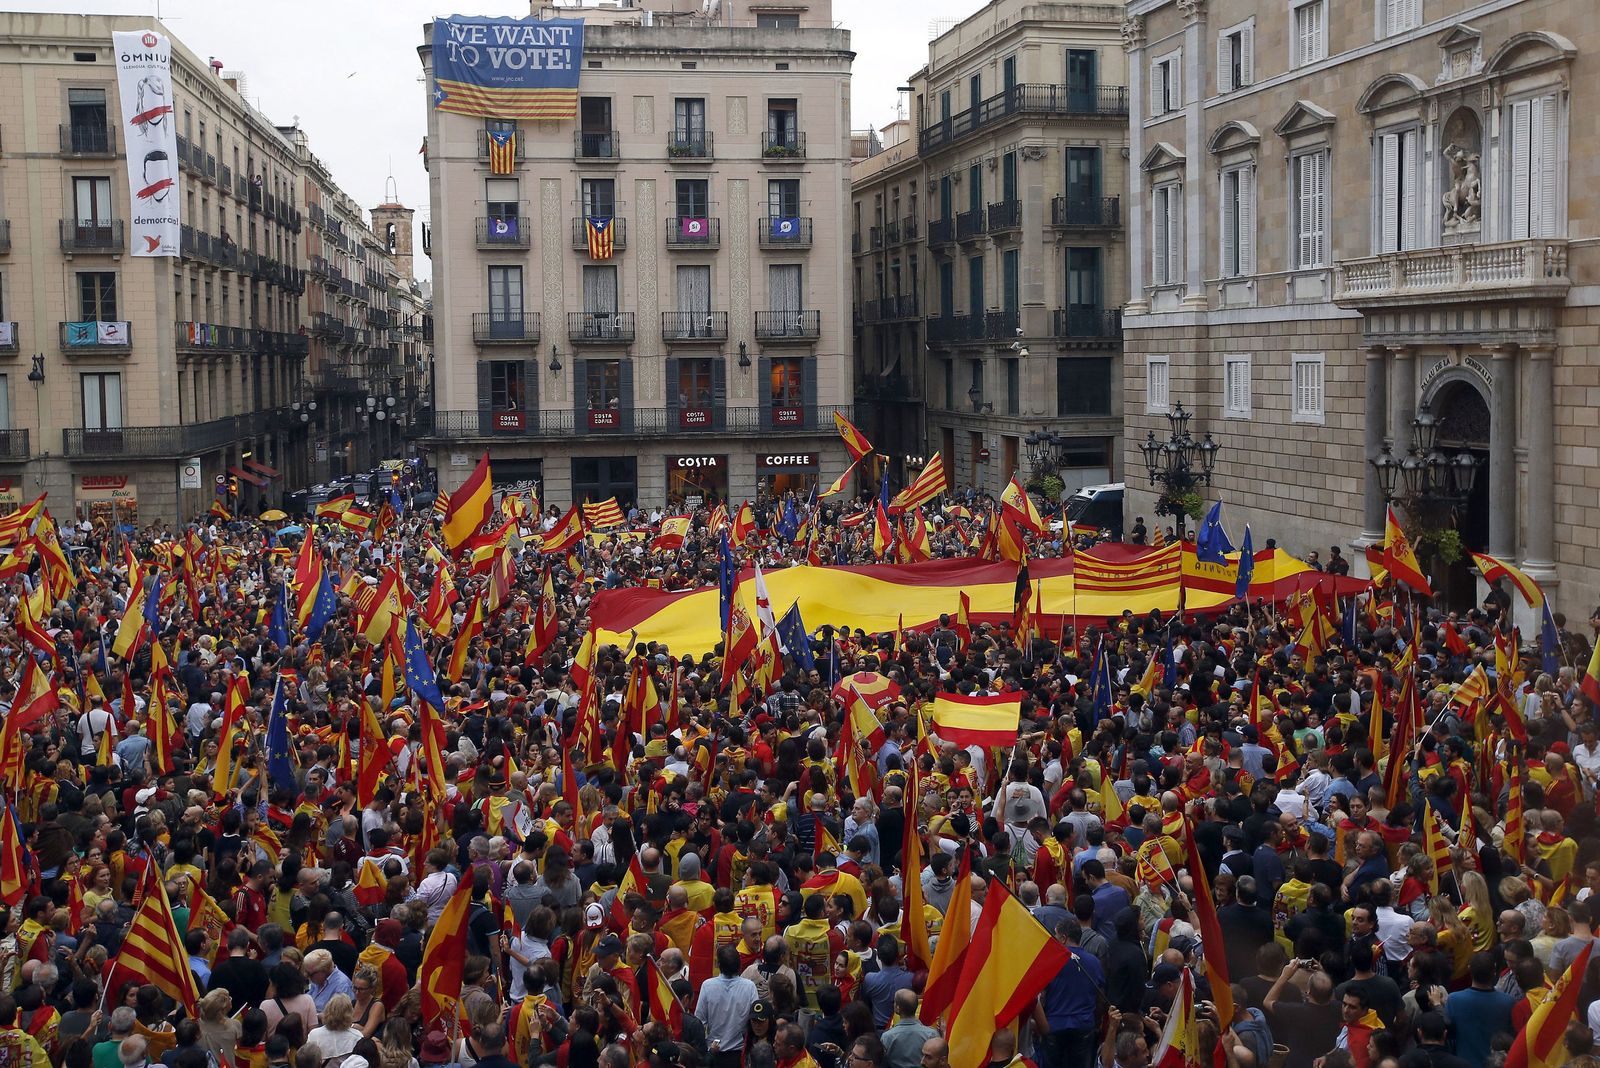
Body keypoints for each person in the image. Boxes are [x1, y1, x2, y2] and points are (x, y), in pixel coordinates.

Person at [696, 946, 758, 1068]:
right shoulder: (749, 987)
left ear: (718, 964)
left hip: (715, 1052)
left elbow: (699, 1021)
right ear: (739, 964)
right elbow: (755, 1019)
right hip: (738, 1054)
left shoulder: (707, 986)